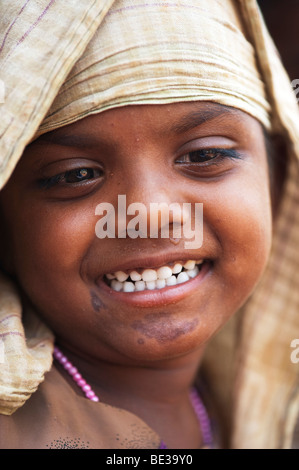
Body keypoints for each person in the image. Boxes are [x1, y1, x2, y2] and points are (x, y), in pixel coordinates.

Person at [0, 0, 298, 449]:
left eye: (204, 155)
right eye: (76, 174)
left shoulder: (250, 402)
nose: (149, 215)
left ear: (276, 185)